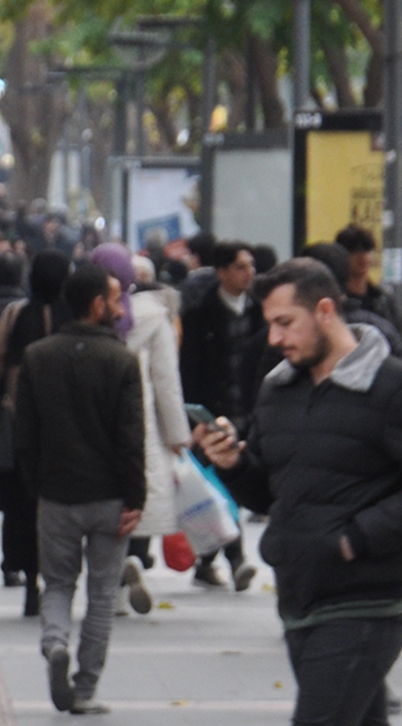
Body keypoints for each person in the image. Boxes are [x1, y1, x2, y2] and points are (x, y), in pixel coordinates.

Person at [199, 258, 402, 726]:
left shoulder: (394, 387)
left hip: (366, 601)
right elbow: (271, 494)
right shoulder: (278, 390)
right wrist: (234, 465)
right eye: (270, 325)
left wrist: (357, 538)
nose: (274, 338)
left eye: (285, 323)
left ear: (325, 311)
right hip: (299, 598)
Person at [15, 264, 145, 715]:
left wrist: (36, 484)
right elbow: (131, 437)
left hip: (56, 493)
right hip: (110, 496)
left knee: (56, 583)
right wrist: (136, 498)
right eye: (114, 298)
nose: (120, 307)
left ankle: (55, 643)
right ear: (96, 305)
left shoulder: (37, 356)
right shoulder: (121, 360)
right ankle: (85, 687)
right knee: (103, 594)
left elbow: (24, 434)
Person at [90, 244, 191, 616]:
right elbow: (166, 381)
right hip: (140, 423)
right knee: (136, 493)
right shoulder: (153, 316)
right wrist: (177, 434)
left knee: (102, 502)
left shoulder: (89, 313)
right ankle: (133, 559)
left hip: (95, 423)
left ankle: (113, 586)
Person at [0, 250, 71, 613]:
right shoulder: (72, 315)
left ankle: (28, 578)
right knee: (59, 508)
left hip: (21, 427)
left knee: (21, 507)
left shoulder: (16, 313)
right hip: (65, 428)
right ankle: (57, 580)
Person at [179, 239, 262, 590]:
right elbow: (189, 372)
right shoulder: (201, 315)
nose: (249, 273)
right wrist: (191, 421)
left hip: (251, 412)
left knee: (231, 484)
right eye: (241, 267)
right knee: (223, 484)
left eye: (251, 266)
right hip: (214, 414)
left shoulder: (261, 313)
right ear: (223, 272)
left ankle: (208, 559)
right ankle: (236, 558)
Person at [334, 223, 402, 335]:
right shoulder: (336, 299)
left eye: (367, 250)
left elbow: (397, 335)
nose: (363, 256)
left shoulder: (383, 299)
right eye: (355, 251)